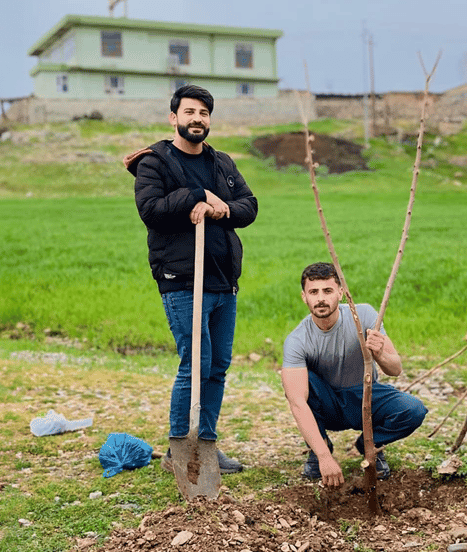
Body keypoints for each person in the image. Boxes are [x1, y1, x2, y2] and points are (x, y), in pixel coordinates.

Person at [124, 85, 258, 474]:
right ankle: (179, 450)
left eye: (203, 113)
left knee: (217, 366)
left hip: (223, 280)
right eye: (189, 112)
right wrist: (197, 195)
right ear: (174, 118)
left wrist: (220, 210)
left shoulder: (222, 162)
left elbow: (249, 207)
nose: (197, 119)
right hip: (182, 279)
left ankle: (207, 445)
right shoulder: (154, 163)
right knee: (195, 362)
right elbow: (151, 210)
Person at [281, 262, 427, 486]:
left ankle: (371, 446)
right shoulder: (297, 340)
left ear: (340, 293)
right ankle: (319, 448)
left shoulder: (364, 315)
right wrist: (324, 457)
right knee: (300, 383)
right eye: (314, 292)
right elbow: (298, 403)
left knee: (413, 410)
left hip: (365, 396)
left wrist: (379, 353)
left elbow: (395, 369)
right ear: (304, 297)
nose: (321, 299)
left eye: (327, 291)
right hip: (327, 403)